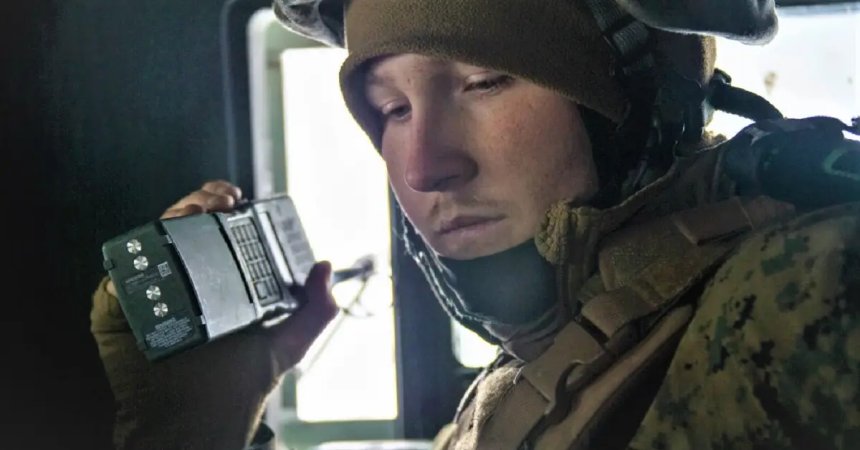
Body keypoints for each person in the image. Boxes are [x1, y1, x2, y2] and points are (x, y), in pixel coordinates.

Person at [90, 0, 860, 449]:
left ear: (636, 102)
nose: (423, 166)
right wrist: (202, 423)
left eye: (485, 82)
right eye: (392, 109)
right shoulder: (538, 370)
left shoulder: (814, 288)